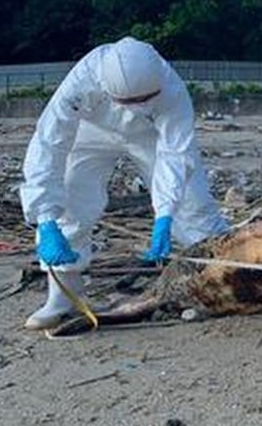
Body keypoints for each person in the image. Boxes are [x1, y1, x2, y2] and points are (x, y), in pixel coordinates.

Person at [20, 36, 230, 330]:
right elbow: (49, 142)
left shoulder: (172, 88)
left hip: (148, 135)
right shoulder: (81, 80)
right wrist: (43, 216)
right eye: (129, 102)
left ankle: (226, 278)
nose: (136, 106)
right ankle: (63, 295)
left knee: (193, 203)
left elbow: (175, 154)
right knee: (71, 195)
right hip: (91, 130)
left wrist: (166, 214)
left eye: (144, 100)